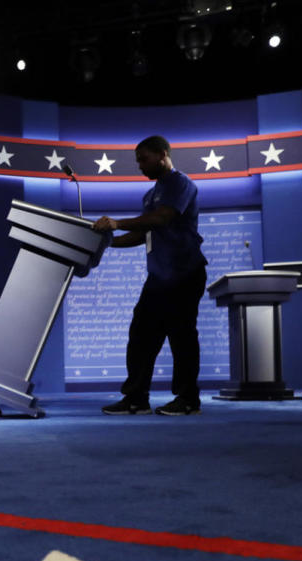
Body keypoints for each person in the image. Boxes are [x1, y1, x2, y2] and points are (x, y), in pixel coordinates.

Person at [92, 135, 208, 416]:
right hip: (158, 278)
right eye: (138, 161)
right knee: (141, 336)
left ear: (163, 154)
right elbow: (144, 231)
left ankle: (188, 399)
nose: (140, 166)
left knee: (182, 337)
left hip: (185, 273)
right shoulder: (150, 195)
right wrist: (107, 243)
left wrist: (116, 222)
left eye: (144, 159)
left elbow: (162, 218)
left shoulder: (181, 183)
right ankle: (136, 398)